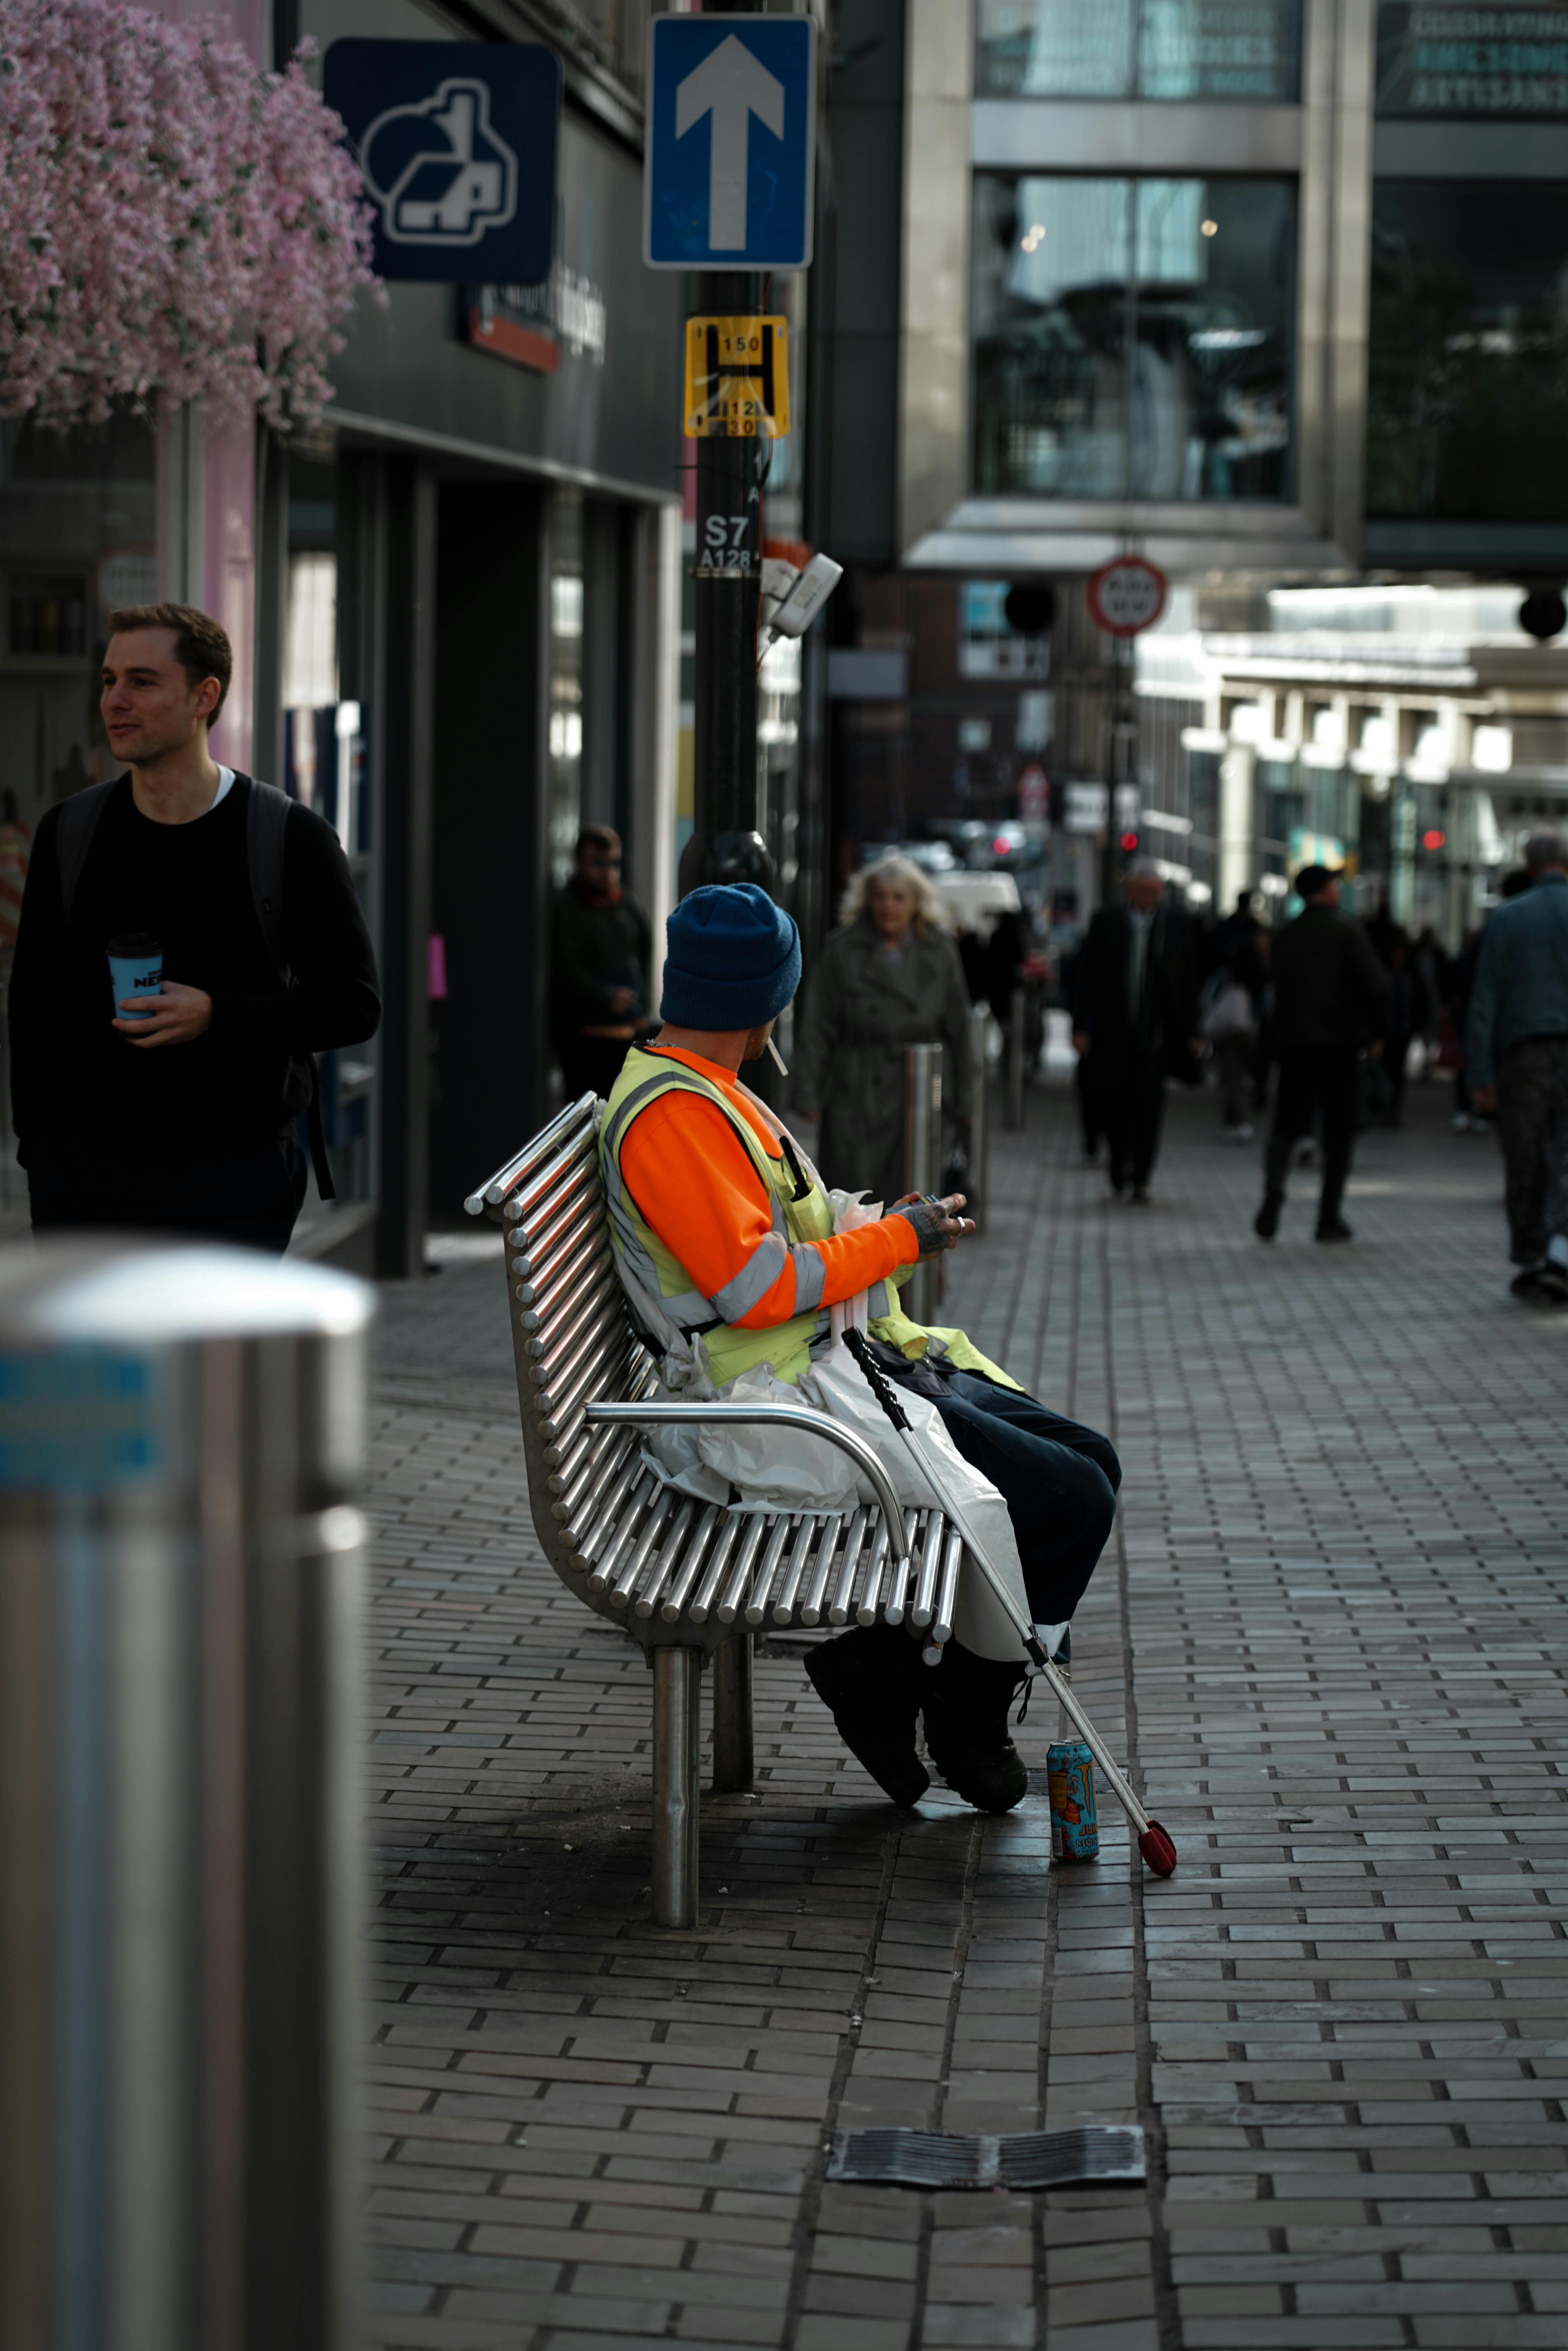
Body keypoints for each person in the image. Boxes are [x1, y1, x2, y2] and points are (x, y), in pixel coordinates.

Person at [600, 883, 1121, 1815]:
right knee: (1070, 1496)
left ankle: (886, 1673)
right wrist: (898, 1238)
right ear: (768, 1000)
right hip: (780, 1398)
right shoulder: (677, 1115)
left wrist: (876, 1228)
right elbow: (754, 1288)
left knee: (1090, 1463)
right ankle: (958, 1707)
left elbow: (766, 1255)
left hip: (825, 1363)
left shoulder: (701, 1089)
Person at [8, 602, 380, 1253]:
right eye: (108, 680)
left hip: (234, 1179)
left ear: (204, 696)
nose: (115, 701)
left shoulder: (289, 836)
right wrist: (41, 1150)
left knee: (213, 1362)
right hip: (83, 1183)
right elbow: (33, 1000)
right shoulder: (69, 831)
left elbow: (354, 1004)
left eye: (142, 682)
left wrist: (219, 1013)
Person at [793, 853, 973, 1207]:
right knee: (853, 1196)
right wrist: (808, 1093)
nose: (888, 906)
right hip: (857, 1087)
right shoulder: (842, 948)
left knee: (914, 1190)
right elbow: (818, 1023)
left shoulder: (940, 951)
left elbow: (961, 1030)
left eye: (898, 897)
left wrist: (966, 1099)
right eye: (879, 896)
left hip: (919, 1085)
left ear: (916, 903)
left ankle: (913, 1261)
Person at [1253, 865, 1390, 1244]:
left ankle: (1274, 1191)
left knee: (1285, 1125)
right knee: (1339, 1131)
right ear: (1325, 890)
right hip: (1340, 1044)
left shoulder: (1284, 935)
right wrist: (1379, 1031)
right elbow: (1377, 984)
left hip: (1294, 1042)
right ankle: (1328, 1217)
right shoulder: (1348, 930)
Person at [1466, 830, 1568, 1304]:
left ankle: (1529, 1256)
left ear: (1529, 866)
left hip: (1524, 1051)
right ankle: (1562, 1254)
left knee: (1526, 1153)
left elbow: (1485, 1000)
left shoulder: (1507, 919)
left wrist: (1481, 1074)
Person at [1070, 859, 1200, 1202]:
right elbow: (1085, 975)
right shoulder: (1106, 922)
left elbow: (1189, 980)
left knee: (1150, 1106)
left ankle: (1142, 1175)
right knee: (1113, 1103)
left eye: (1154, 893)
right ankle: (1118, 1164)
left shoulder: (1177, 925)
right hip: (1112, 1036)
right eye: (1142, 891)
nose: (1147, 898)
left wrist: (1192, 1029)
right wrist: (1081, 1025)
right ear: (1130, 889)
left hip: (1155, 1037)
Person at [550, 824, 653, 1104]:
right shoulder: (567, 907)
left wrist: (640, 1006)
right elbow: (566, 969)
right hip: (584, 1040)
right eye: (598, 863)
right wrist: (606, 998)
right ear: (580, 862)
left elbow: (644, 954)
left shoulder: (628, 905)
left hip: (627, 1037)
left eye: (613, 862)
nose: (608, 871)